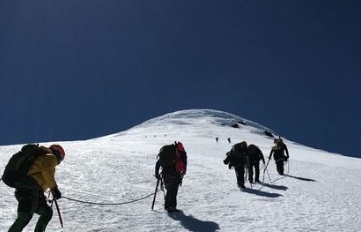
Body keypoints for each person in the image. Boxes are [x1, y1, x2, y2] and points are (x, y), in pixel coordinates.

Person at [8, 144, 65, 232]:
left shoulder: (41, 157)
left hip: (26, 189)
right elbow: (47, 171)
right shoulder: (50, 157)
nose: (58, 163)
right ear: (57, 154)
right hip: (30, 189)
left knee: (46, 212)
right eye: (60, 160)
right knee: (25, 216)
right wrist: (54, 188)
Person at [155, 141, 187, 213]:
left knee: (171, 190)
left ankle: (169, 206)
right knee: (172, 190)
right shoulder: (176, 154)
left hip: (170, 174)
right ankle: (171, 207)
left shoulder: (178, 154)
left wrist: (156, 173)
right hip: (172, 175)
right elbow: (184, 165)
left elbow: (158, 163)